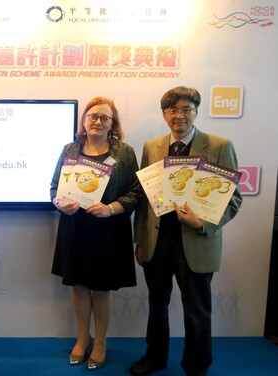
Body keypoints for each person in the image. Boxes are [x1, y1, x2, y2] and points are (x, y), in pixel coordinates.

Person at [130, 86, 243, 376]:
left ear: (195, 111)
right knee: (157, 306)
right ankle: (154, 358)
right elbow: (144, 198)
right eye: (172, 110)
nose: (179, 115)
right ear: (164, 114)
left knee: (197, 310)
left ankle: (196, 366)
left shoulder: (219, 146)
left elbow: (233, 198)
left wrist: (202, 224)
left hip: (196, 240)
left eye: (186, 109)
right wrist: (139, 240)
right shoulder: (152, 146)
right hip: (157, 241)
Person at [50, 97, 141, 370]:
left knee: (101, 289)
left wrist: (111, 208)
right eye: (93, 116)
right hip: (74, 228)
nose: (98, 122)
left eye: (105, 118)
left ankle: (100, 342)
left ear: (113, 123)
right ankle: (82, 339)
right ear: (84, 120)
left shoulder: (123, 152)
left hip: (108, 230)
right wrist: (59, 204)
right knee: (77, 286)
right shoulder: (71, 148)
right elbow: (55, 186)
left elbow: (136, 192)